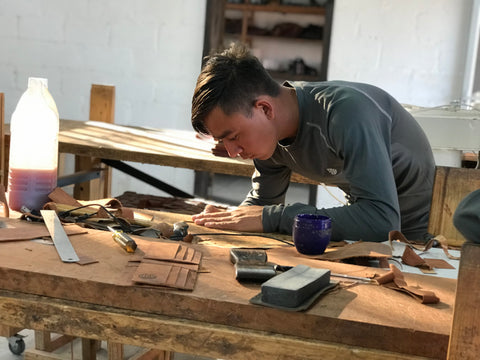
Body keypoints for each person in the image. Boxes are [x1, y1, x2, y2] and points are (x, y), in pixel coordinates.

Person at [190, 43, 436, 242]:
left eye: (233, 137)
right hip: (369, 225)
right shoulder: (270, 136)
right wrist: (229, 220)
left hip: (421, 239)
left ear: (264, 108)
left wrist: (274, 217)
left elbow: (382, 222)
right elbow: (264, 204)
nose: (232, 152)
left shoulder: (346, 114)